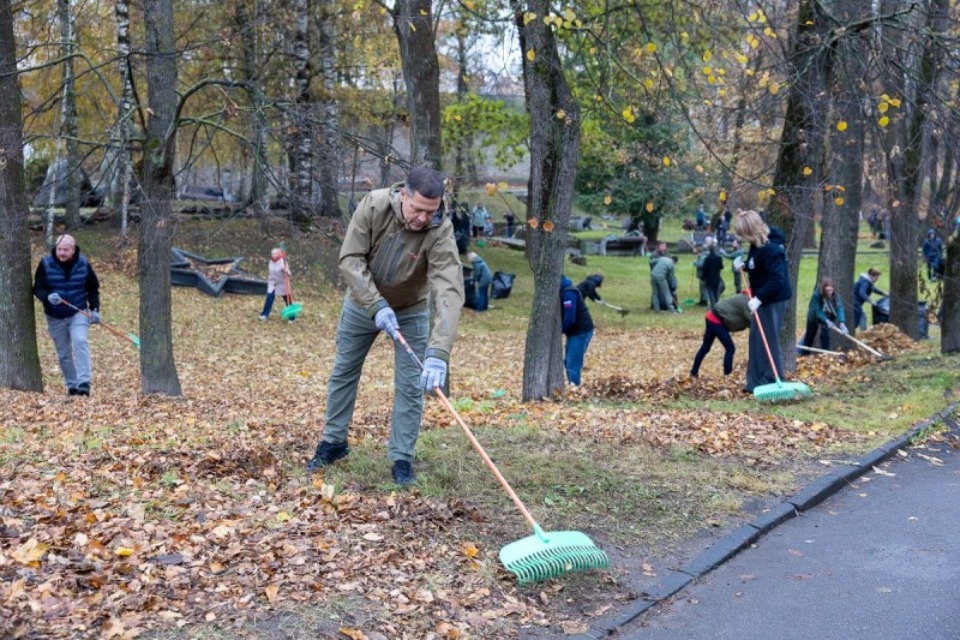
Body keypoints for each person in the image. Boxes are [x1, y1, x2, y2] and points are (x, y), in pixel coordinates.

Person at [306, 167, 464, 485]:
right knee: (343, 371)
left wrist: (439, 350)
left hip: (411, 309)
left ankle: (402, 458)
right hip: (363, 302)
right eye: (417, 209)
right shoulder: (374, 205)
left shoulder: (440, 230)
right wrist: (376, 304)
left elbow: (449, 288)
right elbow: (350, 258)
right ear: (403, 194)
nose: (423, 218)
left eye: (430, 212)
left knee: (410, 386)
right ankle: (334, 442)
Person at [33, 233, 101, 397]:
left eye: (65, 250)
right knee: (64, 353)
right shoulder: (45, 264)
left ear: (73, 250)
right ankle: (72, 386)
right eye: (59, 249)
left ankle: (84, 383)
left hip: (78, 312)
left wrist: (95, 309)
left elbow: (93, 288)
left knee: (80, 341)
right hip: (54, 315)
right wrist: (47, 298)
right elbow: (38, 288)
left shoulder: (83, 264)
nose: (62, 253)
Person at [732, 209, 792, 394]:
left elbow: (777, 279)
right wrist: (744, 266)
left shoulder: (772, 249)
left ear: (751, 230)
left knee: (769, 340)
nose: (741, 237)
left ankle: (774, 379)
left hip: (773, 300)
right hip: (763, 299)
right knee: (757, 339)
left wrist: (759, 298)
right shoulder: (756, 245)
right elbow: (759, 267)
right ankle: (756, 382)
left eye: (743, 233)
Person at [690, 293, 751, 377]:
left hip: (711, 316)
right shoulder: (747, 301)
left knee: (705, 347)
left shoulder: (745, 297)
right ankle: (727, 376)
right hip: (716, 320)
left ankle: (693, 372)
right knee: (730, 348)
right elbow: (752, 321)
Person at [799, 278, 847, 355]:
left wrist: (842, 323)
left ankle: (826, 354)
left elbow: (839, 308)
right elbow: (817, 311)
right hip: (814, 316)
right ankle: (804, 354)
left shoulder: (836, 296)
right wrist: (827, 321)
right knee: (809, 336)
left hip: (826, 316)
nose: (829, 293)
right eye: (827, 291)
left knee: (825, 335)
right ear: (823, 289)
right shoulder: (817, 295)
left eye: (831, 290)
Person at [561, 274, 594, 386]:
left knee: (572, 362)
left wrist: (559, 331)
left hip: (581, 331)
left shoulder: (568, 293)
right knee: (567, 361)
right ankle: (573, 385)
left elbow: (570, 319)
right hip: (573, 332)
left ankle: (574, 388)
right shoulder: (562, 291)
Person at [259, 248, 294, 322]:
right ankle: (264, 315)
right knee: (269, 297)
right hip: (273, 283)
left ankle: (292, 317)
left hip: (282, 284)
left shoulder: (283, 262)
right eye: (272, 253)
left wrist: (285, 270)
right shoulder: (271, 261)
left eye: (274, 254)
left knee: (287, 300)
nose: (273, 255)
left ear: (278, 254)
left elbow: (289, 274)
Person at [700, 237, 725, 306]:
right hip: (717, 277)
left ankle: (713, 305)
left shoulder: (707, 259)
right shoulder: (719, 258)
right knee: (716, 292)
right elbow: (721, 267)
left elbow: (705, 269)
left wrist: (702, 278)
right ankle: (717, 304)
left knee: (710, 292)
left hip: (709, 279)